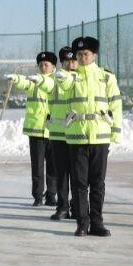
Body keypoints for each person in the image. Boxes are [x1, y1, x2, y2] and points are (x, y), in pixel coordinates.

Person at [54, 36, 122, 237]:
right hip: (77, 137)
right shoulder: (71, 78)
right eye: (79, 54)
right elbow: (63, 84)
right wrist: (62, 76)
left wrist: (116, 132)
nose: (82, 58)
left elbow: (116, 104)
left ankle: (97, 222)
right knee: (79, 183)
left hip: (100, 137)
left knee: (98, 183)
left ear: (94, 55)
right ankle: (82, 223)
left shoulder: (106, 77)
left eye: (86, 54)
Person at [4, 50, 58, 206]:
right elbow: (25, 82)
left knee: (53, 166)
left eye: (46, 64)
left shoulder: (58, 82)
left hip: (53, 131)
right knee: (37, 166)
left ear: (53, 67)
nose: (43, 67)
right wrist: (16, 79)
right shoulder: (34, 80)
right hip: (36, 130)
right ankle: (38, 196)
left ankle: (51, 195)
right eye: (41, 65)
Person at [45, 47, 77, 221]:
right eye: (67, 61)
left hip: (78, 133)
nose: (71, 64)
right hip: (58, 133)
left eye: (73, 61)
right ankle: (63, 207)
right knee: (62, 174)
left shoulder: (83, 79)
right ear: (62, 63)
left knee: (79, 175)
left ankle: (78, 206)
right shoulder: (54, 80)